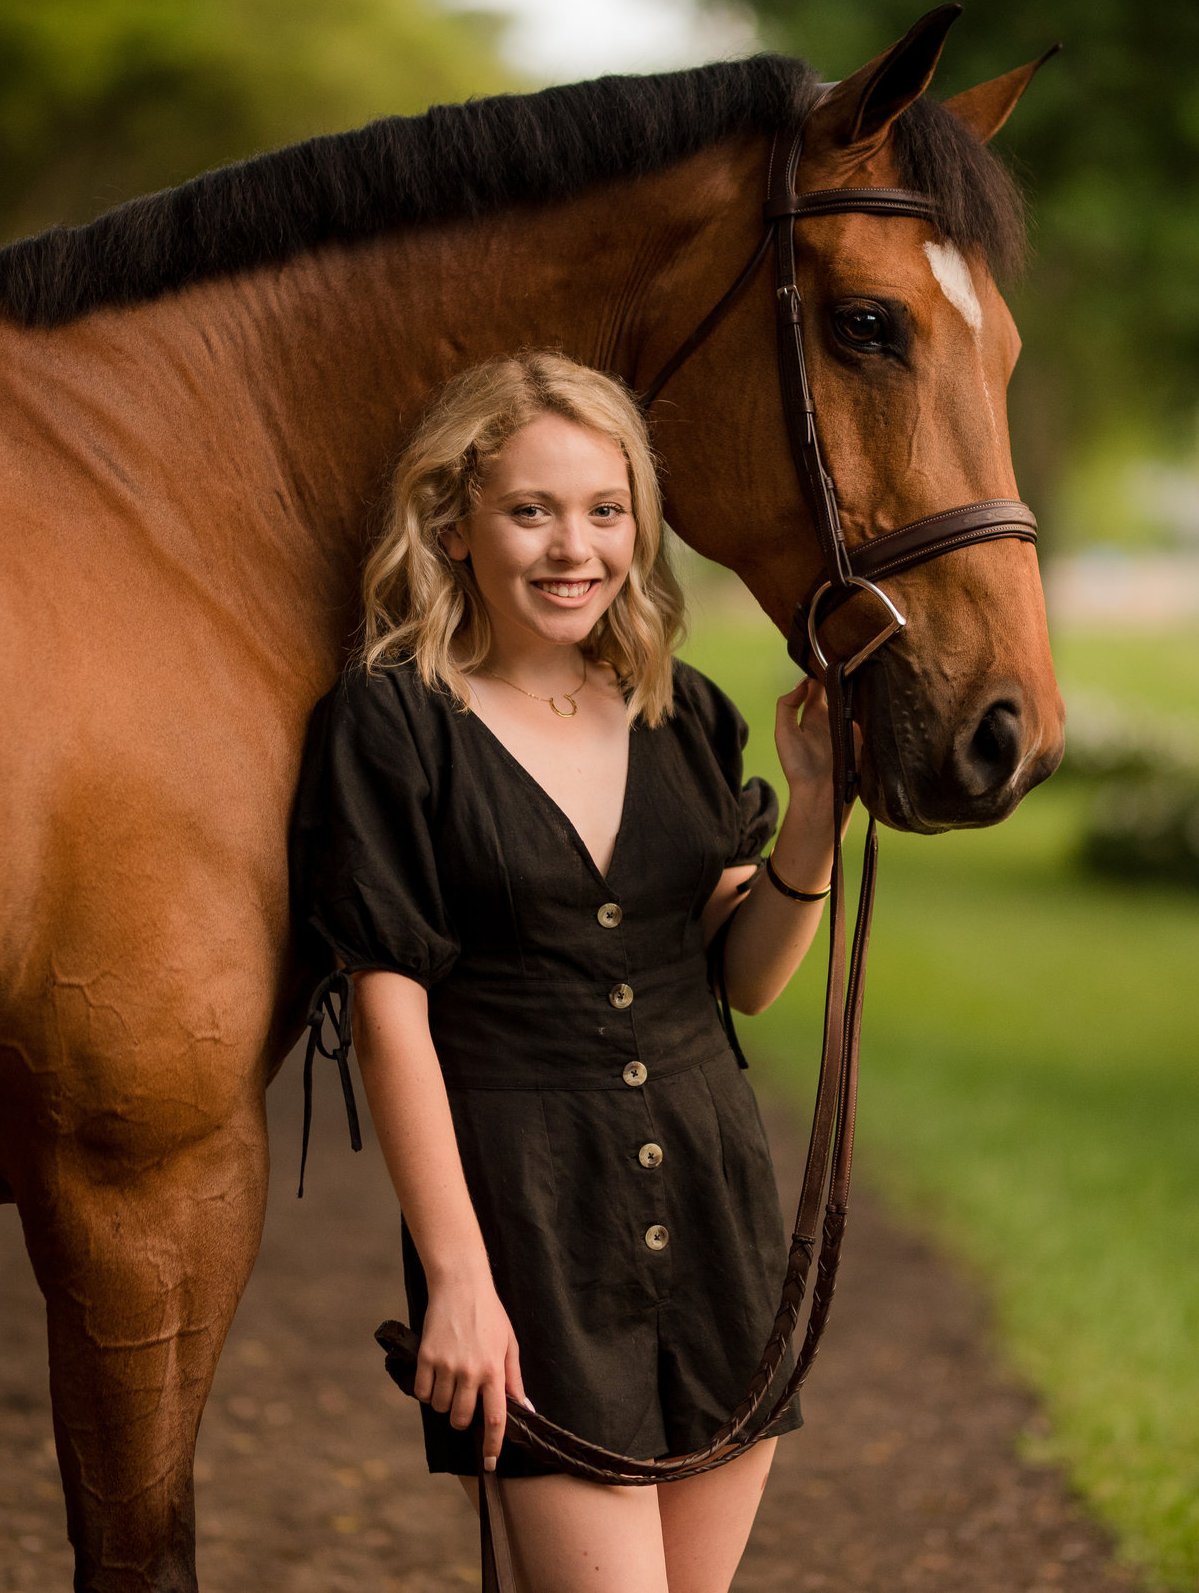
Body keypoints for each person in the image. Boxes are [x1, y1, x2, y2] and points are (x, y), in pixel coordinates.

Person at [287, 351, 838, 1591]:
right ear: (453, 522)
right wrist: (460, 1281)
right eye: (530, 510)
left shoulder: (681, 713)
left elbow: (740, 979)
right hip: (532, 1230)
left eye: (604, 509)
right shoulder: (395, 722)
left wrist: (811, 815)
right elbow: (391, 1021)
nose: (571, 547)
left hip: (713, 1212)